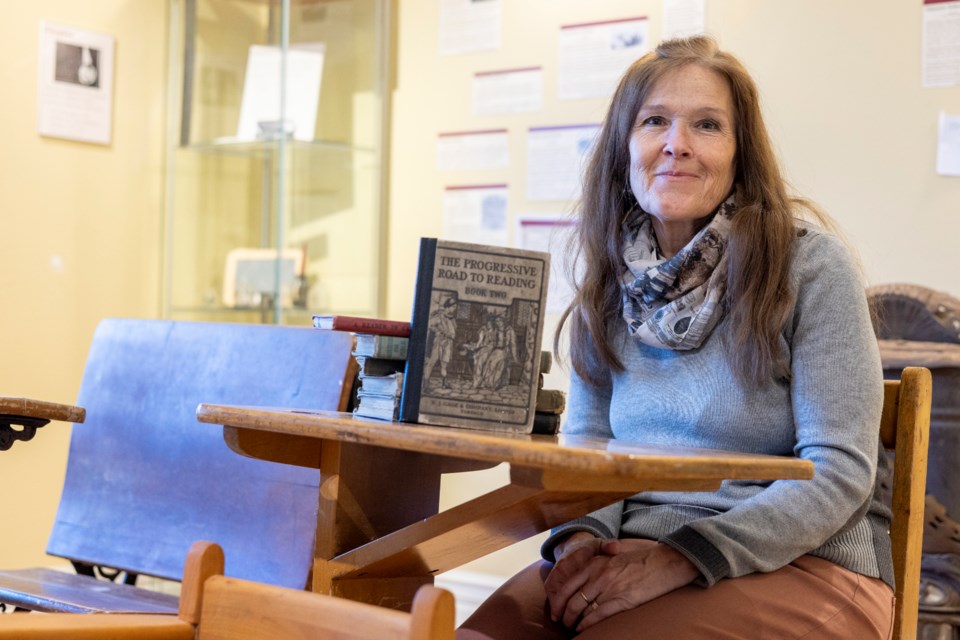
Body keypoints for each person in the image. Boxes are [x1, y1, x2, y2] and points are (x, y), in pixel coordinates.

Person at [458, 35, 892, 639]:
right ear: (623, 147)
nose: (676, 145)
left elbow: (839, 470)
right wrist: (582, 541)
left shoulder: (811, 267)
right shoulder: (611, 276)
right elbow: (590, 443)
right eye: (655, 121)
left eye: (707, 125)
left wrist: (681, 557)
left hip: (804, 560)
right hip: (628, 545)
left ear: (741, 153)